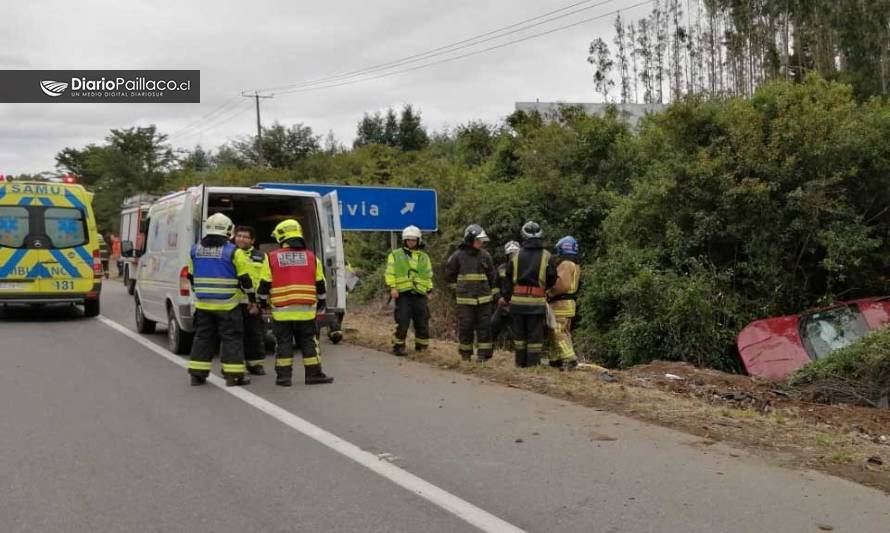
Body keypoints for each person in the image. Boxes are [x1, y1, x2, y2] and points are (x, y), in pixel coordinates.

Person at [257, 219, 334, 387]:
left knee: (283, 343)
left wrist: (262, 305)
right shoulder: (311, 257)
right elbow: (321, 285)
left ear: (281, 237)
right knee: (308, 342)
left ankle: (283, 378)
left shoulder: (271, 258)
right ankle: (313, 375)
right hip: (306, 310)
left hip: (281, 311)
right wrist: (321, 303)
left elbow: (264, 285)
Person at [187, 213, 254, 387]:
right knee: (231, 339)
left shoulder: (195, 250)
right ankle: (234, 376)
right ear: (228, 230)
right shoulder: (234, 251)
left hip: (203, 305)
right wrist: (252, 298)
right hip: (228, 305)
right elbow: (245, 279)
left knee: (203, 338)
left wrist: (201, 292)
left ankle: (197, 375)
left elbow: (191, 276)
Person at [502, 221, 557, 368]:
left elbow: (507, 279)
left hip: (517, 303)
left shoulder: (515, 256)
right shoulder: (547, 256)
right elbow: (552, 278)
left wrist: (507, 298)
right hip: (536, 303)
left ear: (523, 236)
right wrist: (542, 289)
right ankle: (533, 365)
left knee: (519, 336)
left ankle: (520, 364)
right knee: (535, 336)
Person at [445, 224, 498, 362]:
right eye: (478, 240)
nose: (481, 243)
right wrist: (458, 290)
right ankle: (465, 354)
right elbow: (449, 277)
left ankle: (483, 355)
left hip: (484, 300)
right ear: (470, 239)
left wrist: (493, 294)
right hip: (465, 301)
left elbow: (493, 276)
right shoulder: (457, 256)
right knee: (466, 326)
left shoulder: (485, 256)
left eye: (481, 240)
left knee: (485, 327)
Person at [385, 225, 433, 356]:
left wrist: (429, 290)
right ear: (404, 240)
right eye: (408, 240)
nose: (411, 242)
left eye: (413, 240)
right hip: (403, 293)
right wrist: (392, 287)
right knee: (402, 320)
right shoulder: (395, 255)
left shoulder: (424, 257)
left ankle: (421, 347)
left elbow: (428, 275)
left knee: (422, 320)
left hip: (420, 293)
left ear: (418, 240)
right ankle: (398, 346)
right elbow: (390, 273)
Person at [232, 225, 267, 376]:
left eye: (245, 237)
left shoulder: (261, 256)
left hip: (253, 302)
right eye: (239, 235)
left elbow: (266, 278)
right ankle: (235, 365)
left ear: (252, 240)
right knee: (234, 334)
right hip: (233, 302)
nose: (241, 239)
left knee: (254, 334)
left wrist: (262, 301)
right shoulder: (229, 254)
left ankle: (255, 364)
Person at [547, 236, 581, 371]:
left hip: (561, 302)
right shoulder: (575, 264)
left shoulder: (566, 264)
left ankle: (569, 358)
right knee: (563, 331)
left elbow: (562, 285)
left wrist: (549, 292)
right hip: (568, 303)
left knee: (557, 331)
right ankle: (556, 358)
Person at [491, 240, 520, 343]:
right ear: (506, 255)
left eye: (515, 254)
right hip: (503, 304)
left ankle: (519, 354)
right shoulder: (501, 268)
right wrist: (499, 298)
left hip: (517, 304)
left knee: (519, 333)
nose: (513, 256)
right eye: (510, 254)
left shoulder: (523, 269)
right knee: (492, 326)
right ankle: (487, 352)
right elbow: (495, 287)